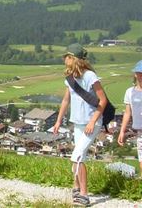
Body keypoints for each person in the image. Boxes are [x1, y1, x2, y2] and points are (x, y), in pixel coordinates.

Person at [53, 44, 108, 207]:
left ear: (73, 58)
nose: (64, 59)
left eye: (67, 57)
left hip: (92, 122)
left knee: (76, 156)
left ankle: (84, 194)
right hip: (78, 122)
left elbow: (103, 101)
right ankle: (76, 188)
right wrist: (58, 120)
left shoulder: (90, 76)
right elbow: (65, 100)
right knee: (77, 157)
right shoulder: (70, 77)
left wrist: (92, 121)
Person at [118, 60, 142, 177]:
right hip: (140, 130)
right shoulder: (130, 92)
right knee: (141, 158)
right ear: (135, 74)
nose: (141, 75)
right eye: (139, 73)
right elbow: (127, 113)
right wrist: (122, 131)